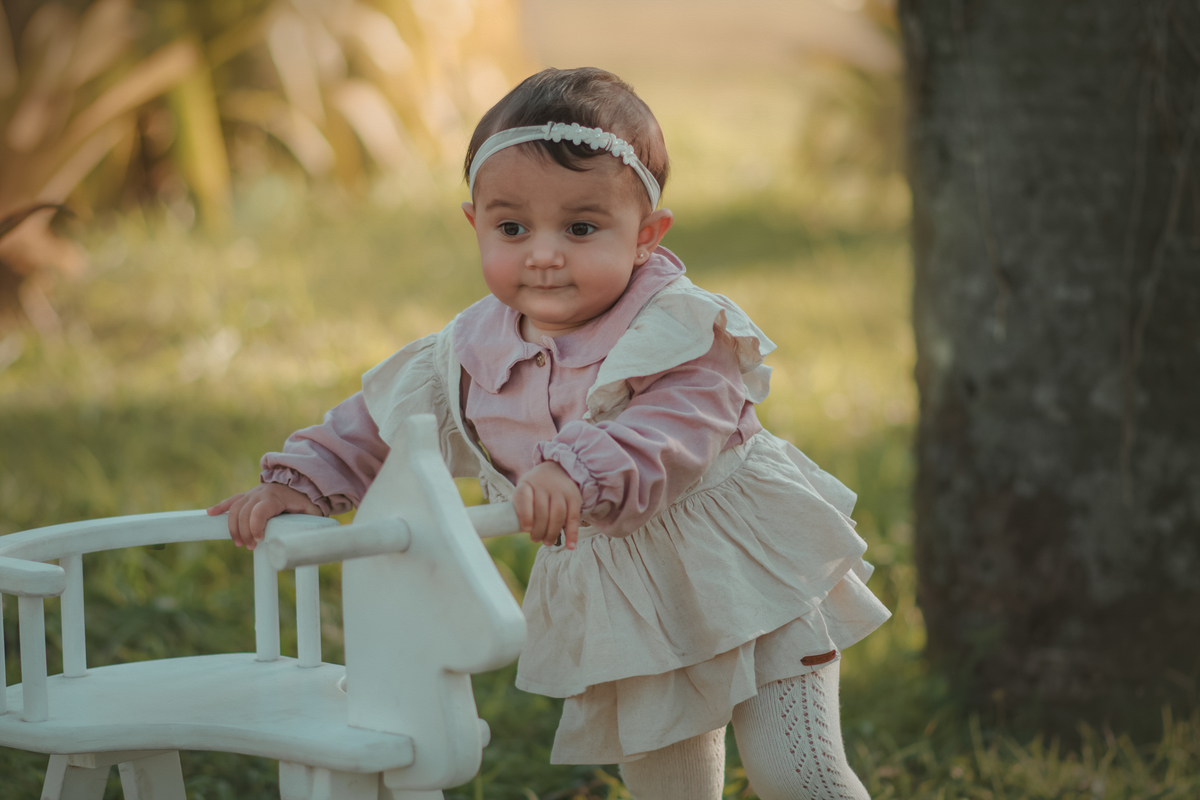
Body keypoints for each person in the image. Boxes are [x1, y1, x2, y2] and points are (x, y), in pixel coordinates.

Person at [208, 67, 890, 800]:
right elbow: (377, 428)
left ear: (645, 236)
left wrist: (575, 470)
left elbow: (673, 430)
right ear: (475, 224)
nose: (543, 252)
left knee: (801, 775)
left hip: (745, 568)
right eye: (512, 228)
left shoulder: (680, 328)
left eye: (581, 227)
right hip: (624, 603)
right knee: (671, 789)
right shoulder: (462, 353)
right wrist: (299, 481)